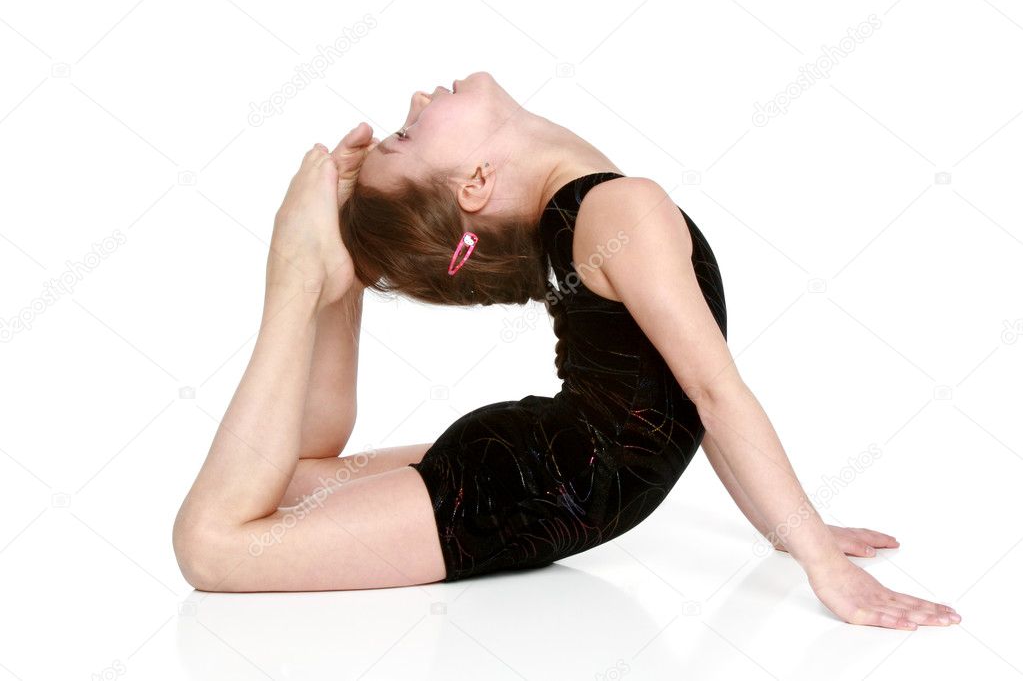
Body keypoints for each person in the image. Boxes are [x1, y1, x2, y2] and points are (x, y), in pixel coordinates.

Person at [172, 72, 960, 630]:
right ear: (475, 181)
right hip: (539, 478)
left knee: (251, 510)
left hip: (542, 470)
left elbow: (698, 398)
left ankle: (320, 279)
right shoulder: (618, 207)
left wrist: (801, 535)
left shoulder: (602, 213)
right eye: (408, 135)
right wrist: (301, 279)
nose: (414, 100)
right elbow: (710, 397)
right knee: (218, 540)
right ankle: (311, 282)